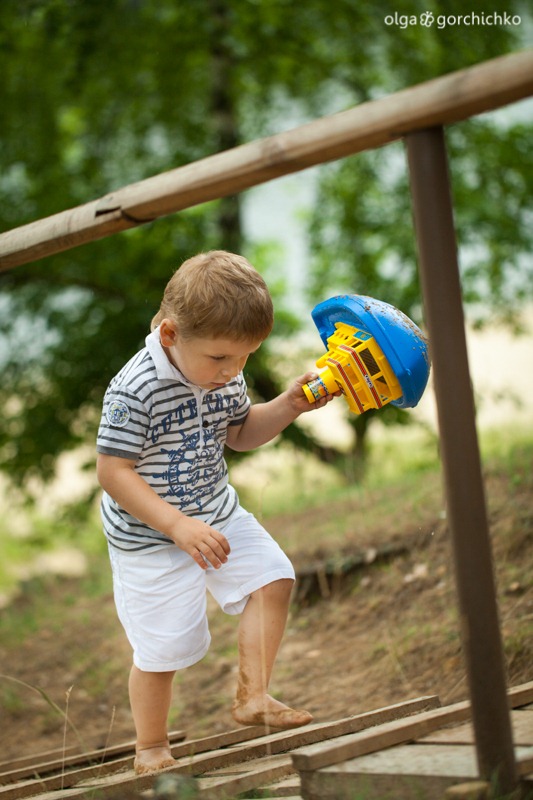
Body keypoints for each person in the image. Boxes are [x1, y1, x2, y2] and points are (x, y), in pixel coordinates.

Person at [96, 250, 335, 775]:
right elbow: (113, 472)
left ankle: (254, 696)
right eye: (221, 359)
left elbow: (241, 433)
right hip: (149, 537)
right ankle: (151, 748)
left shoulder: (223, 375)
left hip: (216, 511)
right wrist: (176, 525)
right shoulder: (134, 390)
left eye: (243, 359)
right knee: (164, 651)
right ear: (170, 336)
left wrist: (290, 405)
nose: (231, 371)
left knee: (274, 577)